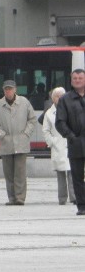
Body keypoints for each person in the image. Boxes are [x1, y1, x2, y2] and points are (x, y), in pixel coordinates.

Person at [0, 80, 37, 206]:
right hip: (6, 143)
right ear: (3, 90)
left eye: (10, 89)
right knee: (9, 174)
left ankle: (20, 198)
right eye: (6, 89)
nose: (8, 91)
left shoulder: (24, 102)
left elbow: (32, 119)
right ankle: (11, 198)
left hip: (21, 143)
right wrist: (1, 135)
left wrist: (26, 133)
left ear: (15, 89)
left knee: (20, 173)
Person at [54, 68, 85, 216]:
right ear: (71, 80)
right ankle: (82, 206)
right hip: (76, 143)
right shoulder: (65, 99)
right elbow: (60, 122)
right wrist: (71, 136)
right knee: (77, 177)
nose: (78, 80)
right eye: (75, 78)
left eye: (80, 78)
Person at [43, 87, 75, 206]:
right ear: (53, 98)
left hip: (70, 143)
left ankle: (74, 197)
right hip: (57, 146)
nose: (60, 98)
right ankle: (62, 198)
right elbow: (46, 131)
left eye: (62, 96)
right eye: (57, 96)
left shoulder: (72, 109)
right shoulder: (49, 113)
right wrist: (52, 142)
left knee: (72, 172)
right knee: (61, 174)